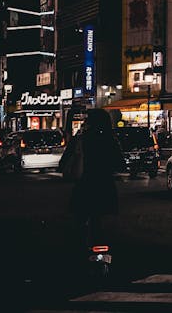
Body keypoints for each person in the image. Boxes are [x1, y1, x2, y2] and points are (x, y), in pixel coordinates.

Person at [60, 108, 126, 257]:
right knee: (100, 221)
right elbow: (121, 163)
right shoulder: (110, 139)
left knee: (81, 221)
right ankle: (102, 251)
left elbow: (65, 160)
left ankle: (80, 252)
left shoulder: (81, 139)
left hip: (85, 185)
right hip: (104, 186)